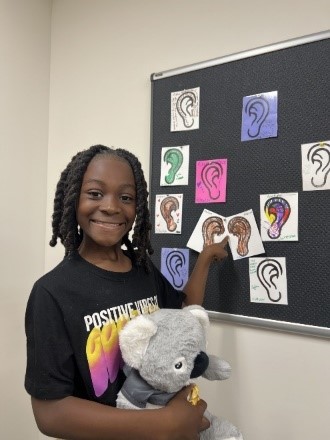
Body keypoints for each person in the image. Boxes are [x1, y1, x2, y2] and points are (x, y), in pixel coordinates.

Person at [25, 144, 228, 440]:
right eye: (95, 193)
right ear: (72, 199)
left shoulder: (143, 271)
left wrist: (206, 258)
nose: (111, 206)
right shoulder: (52, 292)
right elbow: (50, 413)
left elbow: (184, 312)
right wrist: (164, 424)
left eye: (126, 197)